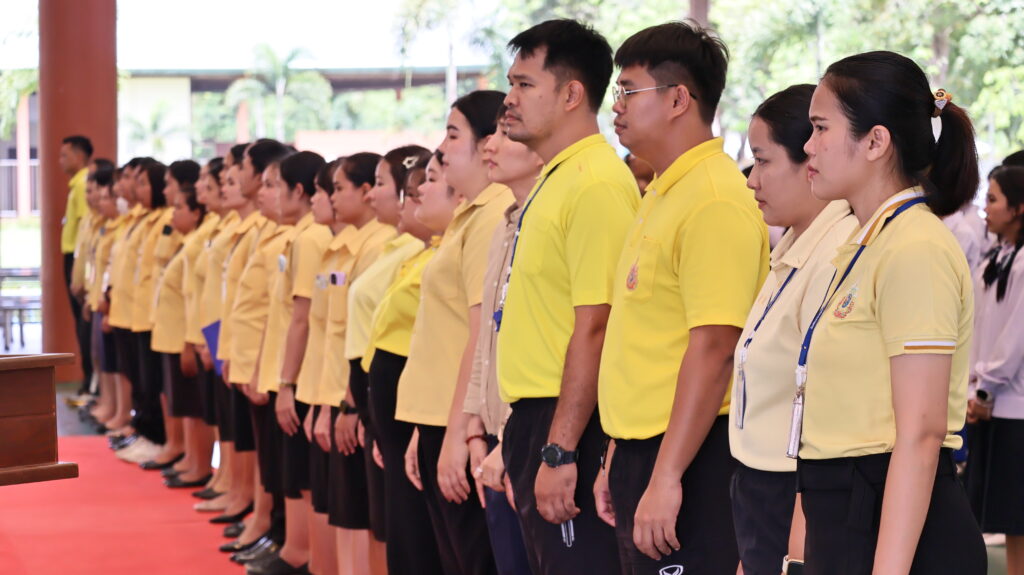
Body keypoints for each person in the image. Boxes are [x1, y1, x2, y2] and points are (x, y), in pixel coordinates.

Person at [792, 51, 986, 574]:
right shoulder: (865, 242)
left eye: (820, 128)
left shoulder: (915, 247)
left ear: (876, 142)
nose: (808, 145)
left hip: (895, 530)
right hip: (847, 513)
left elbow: (921, 435)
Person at [593, 21, 768, 574]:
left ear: (677, 100)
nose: (616, 106)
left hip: (691, 454)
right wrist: (617, 453)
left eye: (628, 91)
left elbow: (714, 348)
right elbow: (648, 339)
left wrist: (666, 474)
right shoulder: (664, 191)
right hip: (643, 448)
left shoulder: (713, 199)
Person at [497, 19, 639, 575]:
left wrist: (560, 450)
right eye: (511, 83)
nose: (509, 98)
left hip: (570, 422)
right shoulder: (557, 179)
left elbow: (597, 325)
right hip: (538, 416)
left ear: (572, 94)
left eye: (525, 84)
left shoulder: (594, 183)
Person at [722, 84, 859, 575]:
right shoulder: (796, 243)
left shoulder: (838, 251)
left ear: (810, 163)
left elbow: (825, 408)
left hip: (795, 491)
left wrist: (797, 553)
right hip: (763, 483)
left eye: (763, 161)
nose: (751, 180)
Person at [397, 90, 511, 575]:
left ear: (488, 143)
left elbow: (479, 335)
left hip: (460, 419)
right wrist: (427, 431)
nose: (441, 151)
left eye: (452, 135)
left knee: (471, 558)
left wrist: (457, 434)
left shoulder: (492, 214)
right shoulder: (472, 213)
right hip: (439, 415)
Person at [345, 144, 431, 571]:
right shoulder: (404, 251)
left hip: (412, 405)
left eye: (380, 184)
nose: (371, 194)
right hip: (382, 400)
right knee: (394, 521)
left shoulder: (427, 253)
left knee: (412, 527)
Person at [468, 104, 543, 575]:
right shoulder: (504, 224)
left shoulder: (546, 221)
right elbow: (488, 339)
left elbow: (553, 345)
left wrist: (508, 443)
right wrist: (474, 427)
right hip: (496, 437)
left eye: (504, 134)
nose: (489, 146)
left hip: (526, 438)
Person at [363, 154, 445, 575]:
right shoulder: (417, 255)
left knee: (417, 525)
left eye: (416, 191)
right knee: (400, 518)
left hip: (421, 405)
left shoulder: (441, 255)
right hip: (396, 402)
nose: (410, 200)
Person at [274, 159, 335, 574]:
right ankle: (295, 549)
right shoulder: (307, 236)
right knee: (296, 474)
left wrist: (286, 382)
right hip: (303, 374)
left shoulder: (313, 238)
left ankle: (303, 554)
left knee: (312, 483)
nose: (317, 200)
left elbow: (303, 318)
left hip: (309, 377)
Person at [965, 165, 1024, 574]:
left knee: (1018, 517)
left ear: (1018, 208)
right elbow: (981, 327)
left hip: (1012, 405)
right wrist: (975, 386)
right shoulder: (998, 256)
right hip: (990, 402)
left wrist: (986, 387)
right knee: (1008, 519)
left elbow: (1015, 338)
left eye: (993, 199)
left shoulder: (1021, 263)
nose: (985, 208)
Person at [60, 135, 95, 401]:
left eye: (65, 155)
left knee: (85, 324)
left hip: (78, 257)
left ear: (80, 156)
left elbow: (85, 227)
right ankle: (88, 383)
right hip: (73, 256)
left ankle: (89, 384)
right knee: (80, 323)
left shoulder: (83, 184)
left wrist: (79, 272)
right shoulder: (76, 184)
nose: (60, 160)